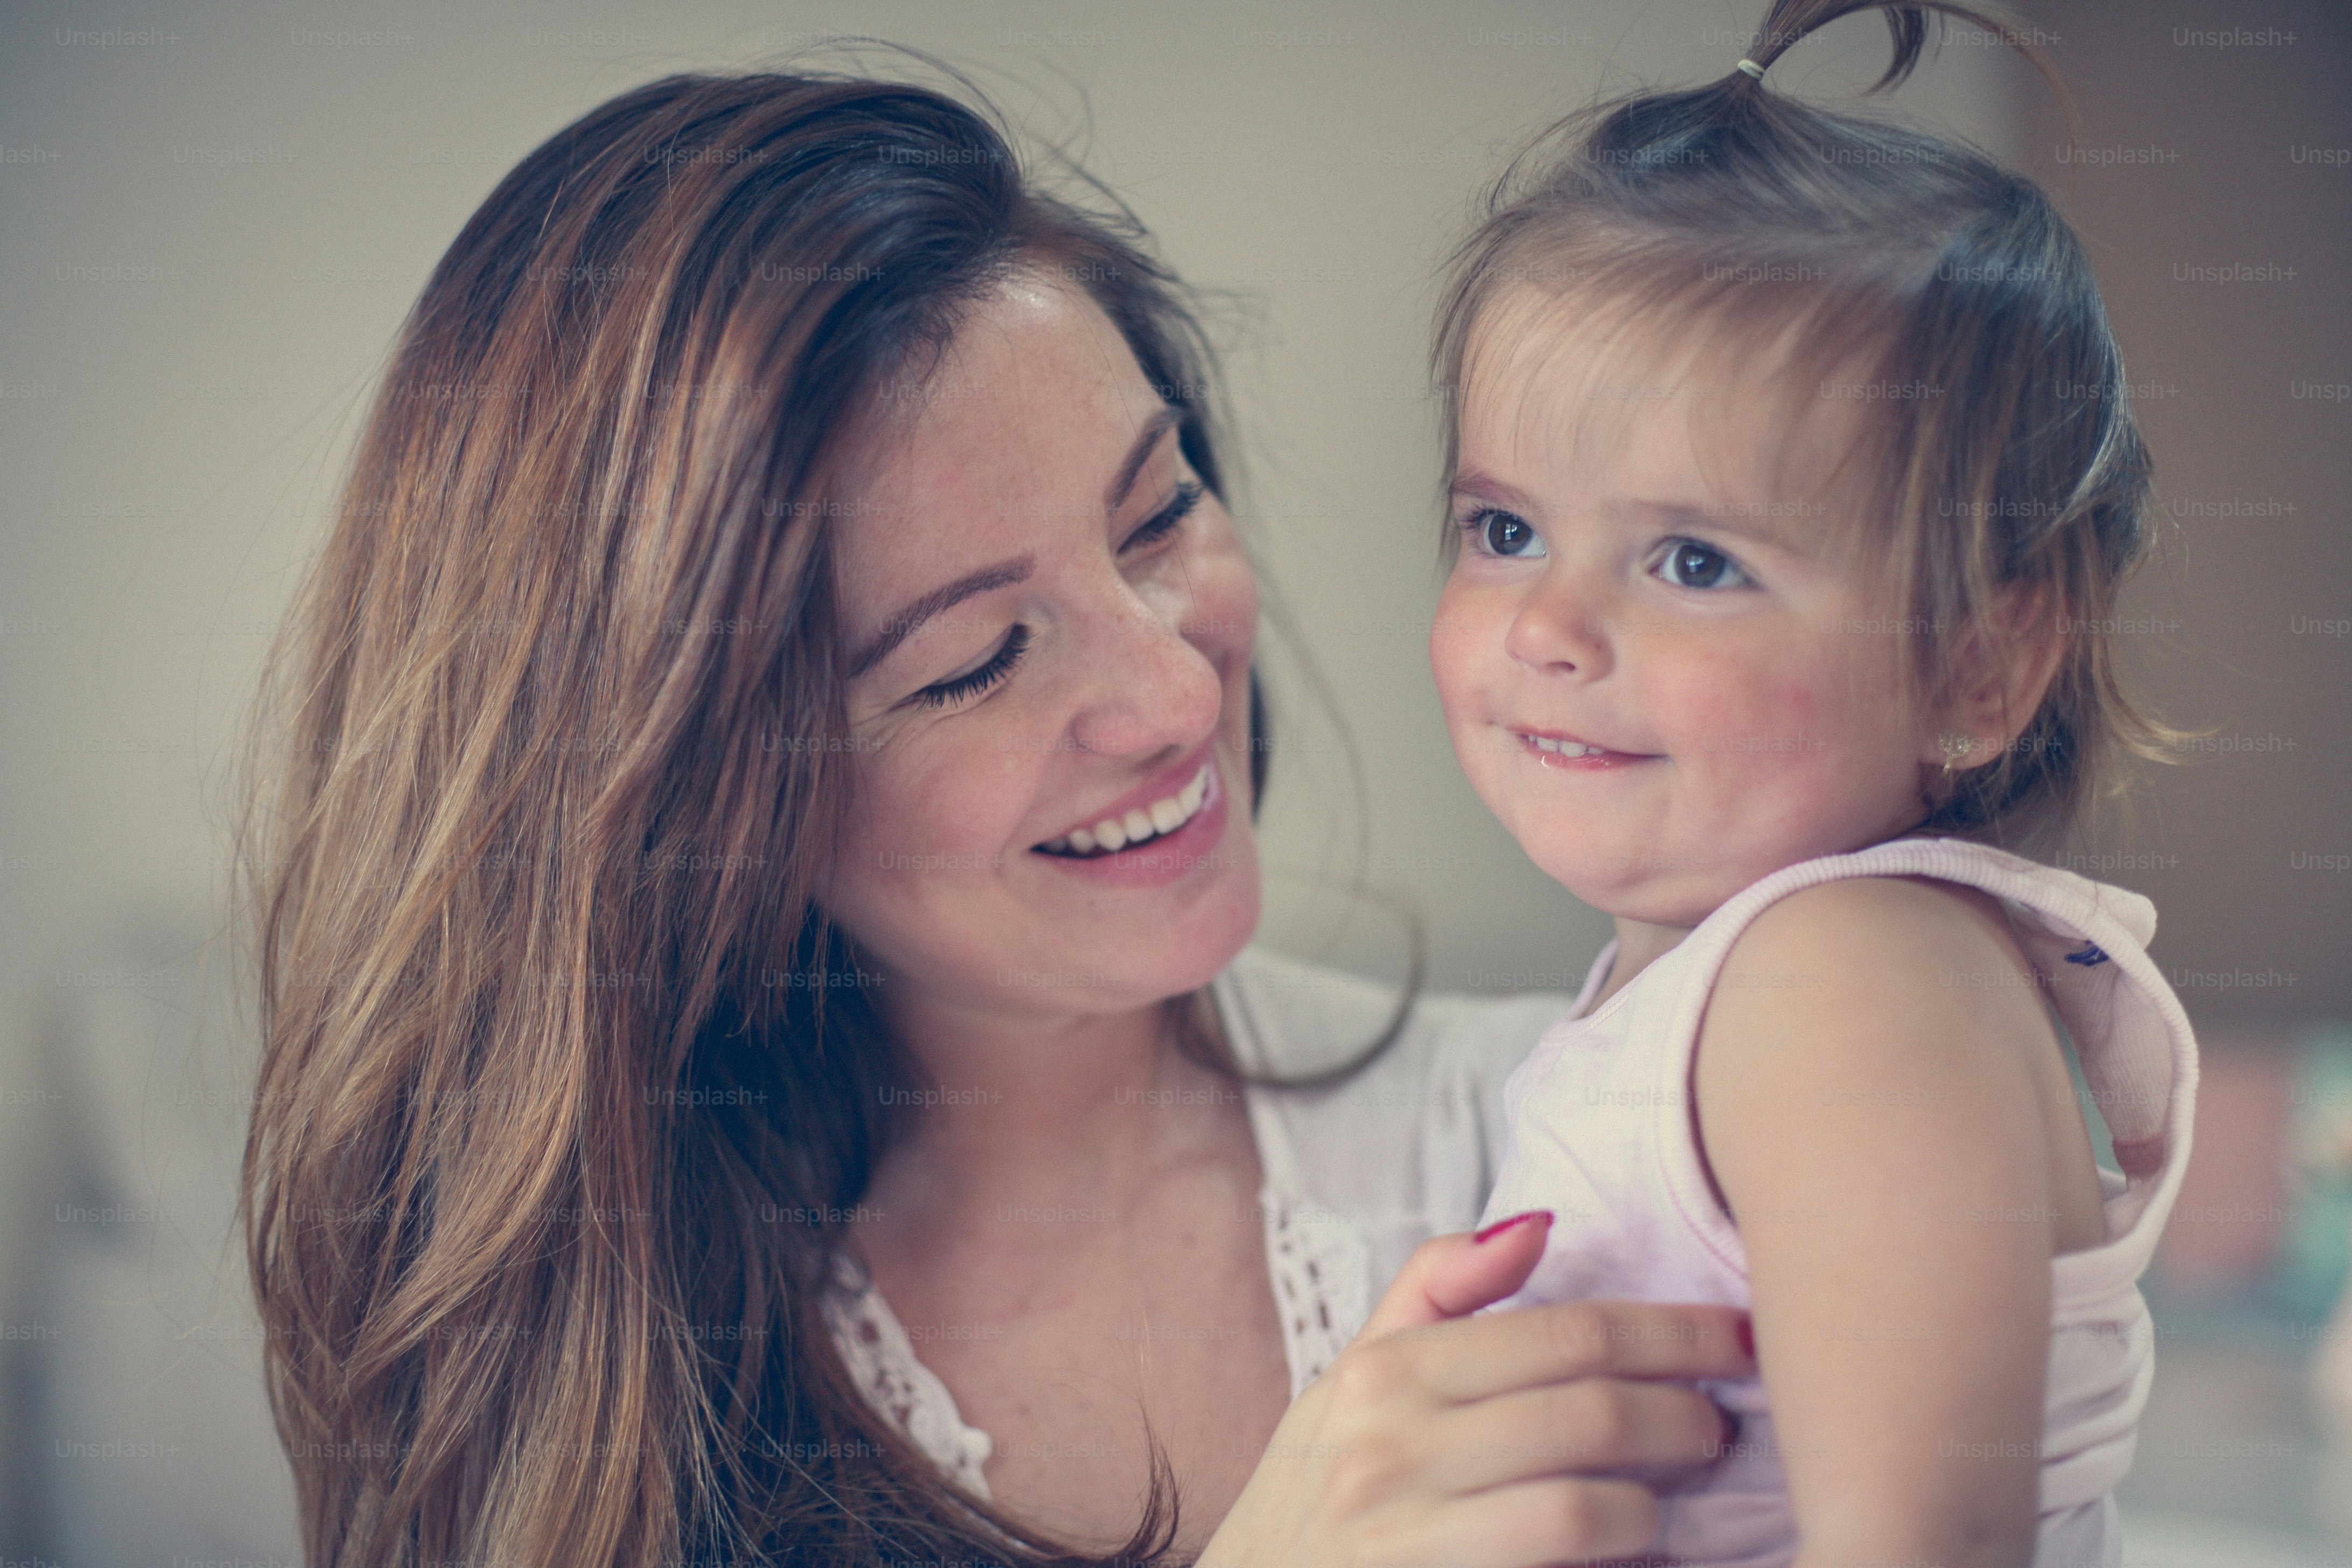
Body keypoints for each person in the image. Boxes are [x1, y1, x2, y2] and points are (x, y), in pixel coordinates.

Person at [237, 65, 1752, 1568]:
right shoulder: (586, 1398)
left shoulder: (1584, 1149)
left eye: (1157, 514)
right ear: (688, 799)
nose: (1170, 694)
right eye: (974, 663)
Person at [1423, 2, 2199, 1564]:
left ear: (1980, 668)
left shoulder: (1848, 984)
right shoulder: (1722, 979)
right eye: (1505, 530)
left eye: (1695, 560)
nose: (1552, 627)